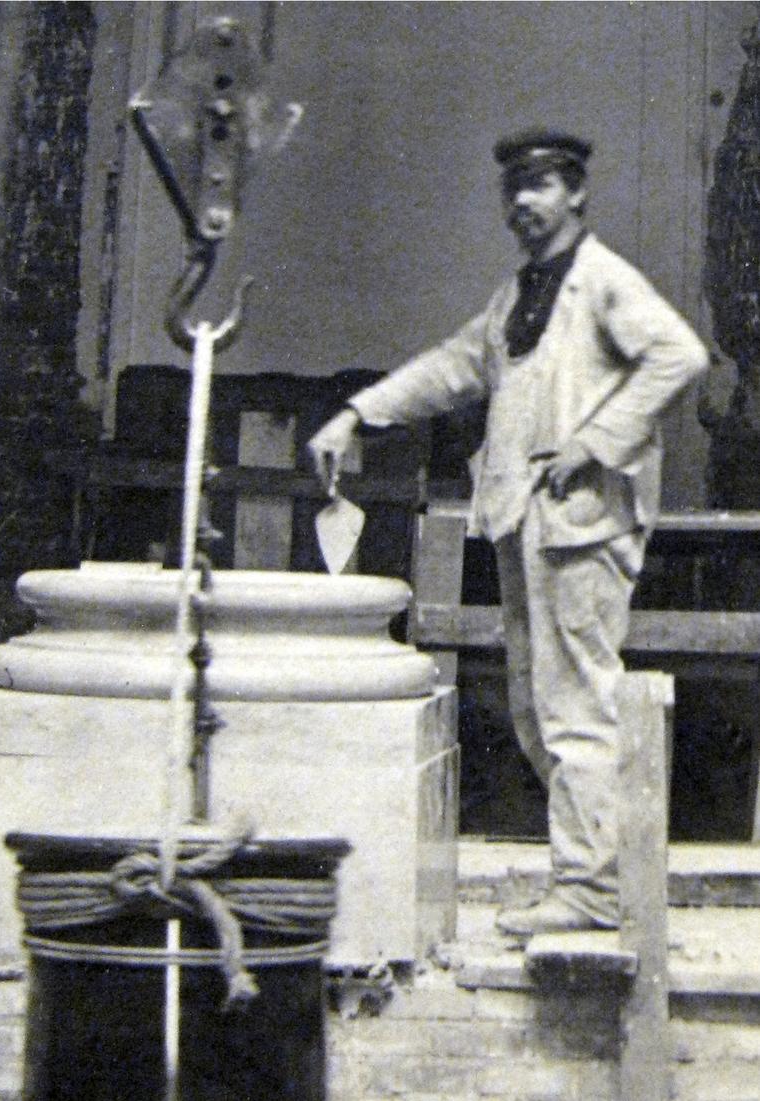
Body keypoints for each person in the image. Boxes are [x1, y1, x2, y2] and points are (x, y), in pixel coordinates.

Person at [308, 128, 709, 936]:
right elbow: (456, 366)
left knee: (574, 705)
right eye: (514, 189)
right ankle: (592, 874)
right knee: (536, 705)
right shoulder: (519, 295)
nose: (525, 203)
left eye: (543, 186)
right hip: (524, 521)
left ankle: (594, 890)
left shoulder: (602, 281)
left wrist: (596, 441)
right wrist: (357, 414)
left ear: (577, 194)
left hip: (583, 528)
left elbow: (680, 355)